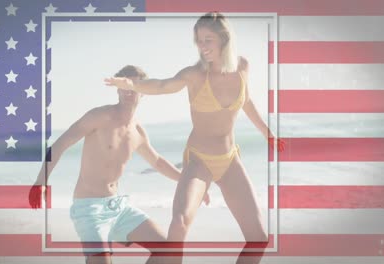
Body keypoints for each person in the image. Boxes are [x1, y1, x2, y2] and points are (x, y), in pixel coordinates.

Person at [105, 12, 284, 264]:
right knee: (178, 224)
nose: (202, 46)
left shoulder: (242, 67)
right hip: (199, 160)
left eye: (207, 40)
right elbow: (161, 85)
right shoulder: (194, 74)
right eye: (198, 40)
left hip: (229, 159)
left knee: (259, 239)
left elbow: (246, 101)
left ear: (224, 38)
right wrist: (132, 85)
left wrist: (267, 133)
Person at [29, 65, 209, 264]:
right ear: (116, 89)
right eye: (123, 85)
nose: (127, 91)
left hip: (119, 207)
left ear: (144, 92)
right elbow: (61, 144)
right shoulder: (99, 116)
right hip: (89, 209)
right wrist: (41, 181)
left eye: (132, 86)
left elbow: (158, 162)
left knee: (166, 250)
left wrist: (191, 185)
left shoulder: (137, 131)